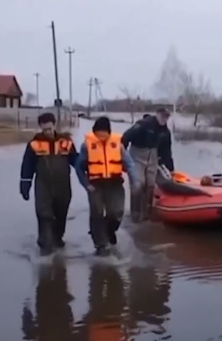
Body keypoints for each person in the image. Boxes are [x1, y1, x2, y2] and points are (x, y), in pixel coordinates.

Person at [76, 117, 138, 256]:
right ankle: (100, 244)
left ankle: (109, 232)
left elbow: (130, 164)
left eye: (103, 134)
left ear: (109, 133)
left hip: (114, 183)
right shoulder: (86, 146)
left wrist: (135, 181)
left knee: (116, 213)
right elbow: (79, 168)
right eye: (98, 134)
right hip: (95, 185)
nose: (101, 137)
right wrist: (86, 184)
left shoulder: (118, 145)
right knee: (97, 214)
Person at [20, 112, 79, 255]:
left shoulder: (66, 143)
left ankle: (58, 238)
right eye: (45, 129)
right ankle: (45, 245)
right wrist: (25, 185)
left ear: (54, 125)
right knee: (44, 214)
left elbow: (76, 161)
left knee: (61, 214)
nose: (48, 132)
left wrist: (89, 171)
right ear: (40, 127)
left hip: (63, 186)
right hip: (43, 186)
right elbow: (27, 166)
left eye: (50, 128)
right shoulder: (34, 145)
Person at [121, 108, 174, 222]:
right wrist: (123, 158)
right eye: (163, 115)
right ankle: (135, 214)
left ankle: (146, 214)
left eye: (167, 117)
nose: (165, 119)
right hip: (137, 155)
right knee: (138, 183)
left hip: (153, 157)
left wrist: (171, 169)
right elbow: (125, 137)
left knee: (150, 185)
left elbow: (166, 151)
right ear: (158, 114)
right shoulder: (144, 124)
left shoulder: (165, 132)